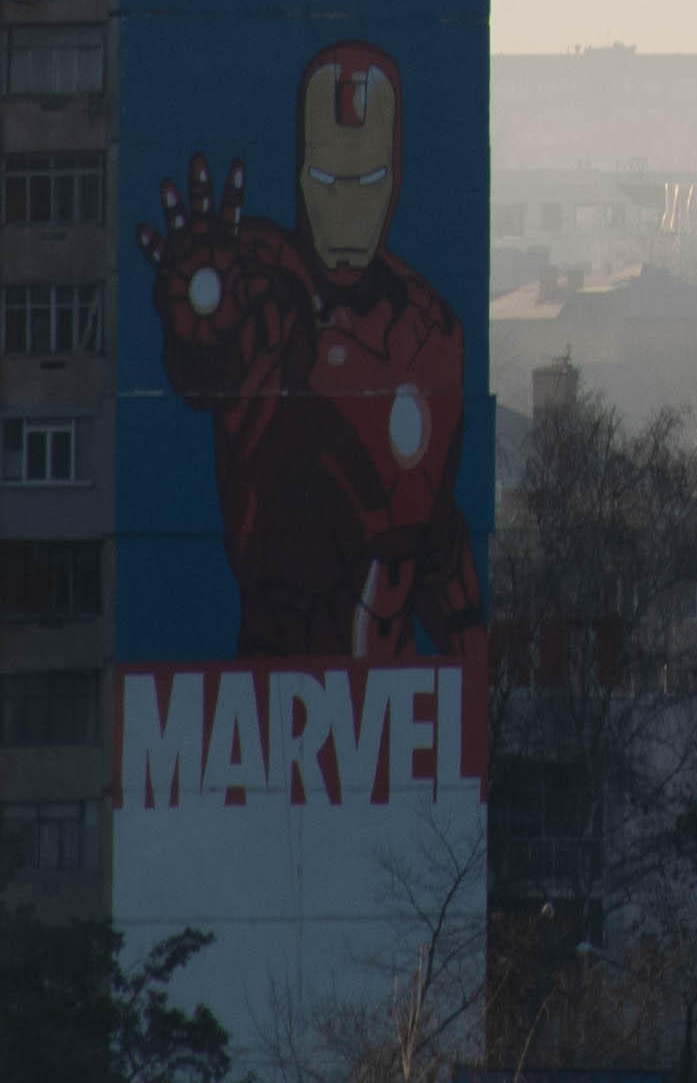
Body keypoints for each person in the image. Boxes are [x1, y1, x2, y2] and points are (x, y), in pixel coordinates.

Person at [140, 40, 482, 666]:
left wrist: (478, 673)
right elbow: (207, 370)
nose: (346, 208)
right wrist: (198, 315)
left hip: (391, 705)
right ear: (301, 172)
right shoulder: (267, 284)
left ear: (396, 174)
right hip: (274, 688)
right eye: (327, 181)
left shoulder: (434, 333)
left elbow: (438, 537)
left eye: (368, 182)